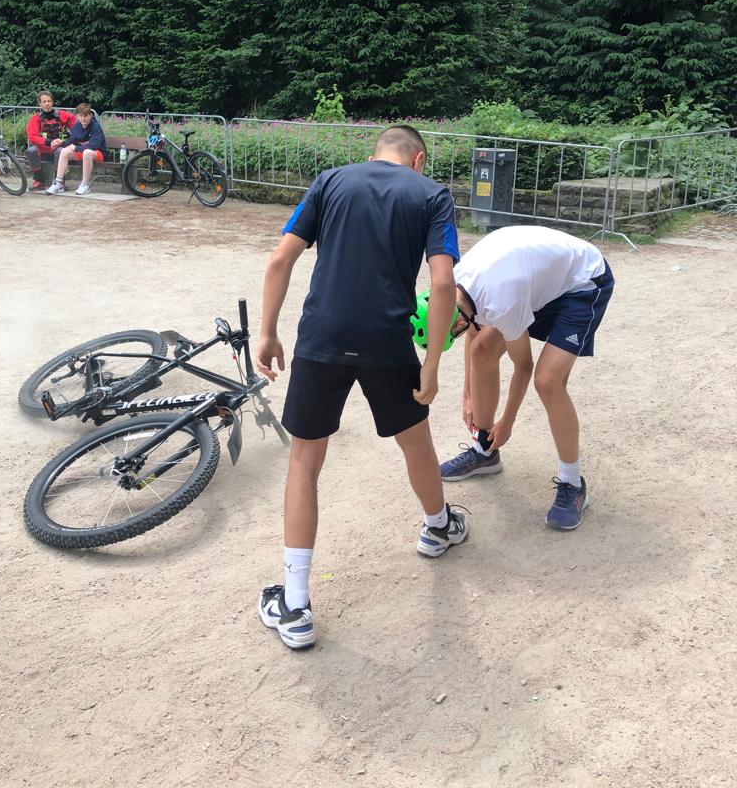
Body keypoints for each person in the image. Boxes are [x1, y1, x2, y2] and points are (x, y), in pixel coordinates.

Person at [255, 125, 467, 650]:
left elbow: (280, 259)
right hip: (387, 341)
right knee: (414, 441)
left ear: (375, 153)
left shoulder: (330, 181)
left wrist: (268, 331)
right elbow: (443, 283)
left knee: (305, 460)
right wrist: (432, 363)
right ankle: (438, 526)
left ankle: (296, 605)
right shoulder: (432, 195)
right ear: (418, 159)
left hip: (321, 336)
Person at [439, 225, 615, 532]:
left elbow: (523, 366)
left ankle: (573, 483)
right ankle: (485, 449)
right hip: (538, 284)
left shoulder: (502, 300)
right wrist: (466, 394)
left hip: (584, 281)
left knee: (548, 381)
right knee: (482, 350)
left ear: (455, 321)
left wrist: (507, 422)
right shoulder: (456, 289)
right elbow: (474, 333)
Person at [45, 103, 107, 196]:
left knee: (87, 152)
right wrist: (61, 143)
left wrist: (76, 148)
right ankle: (59, 183)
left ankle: (85, 185)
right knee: (64, 151)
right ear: (77, 116)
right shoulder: (77, 126)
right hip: (83, 152)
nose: (83, 118)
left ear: (90, 115)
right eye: (81, 116)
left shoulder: (95, 126)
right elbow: (72, 140)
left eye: (85, 116)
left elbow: (93, 146)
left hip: (99, 153)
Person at [25, 90, 76, 190]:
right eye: (44, 102)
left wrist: (64, 141)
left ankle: (59, 181)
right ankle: (39, 181)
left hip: (59, 147)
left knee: (60, 151)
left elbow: (76, 129)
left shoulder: (62, 115)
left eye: (49, 101)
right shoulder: (36, 118)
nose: (47, 104)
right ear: (40, 104)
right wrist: (48, 142)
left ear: (52, 102)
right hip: (43, 148)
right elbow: (32, 136)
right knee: (30, 151)